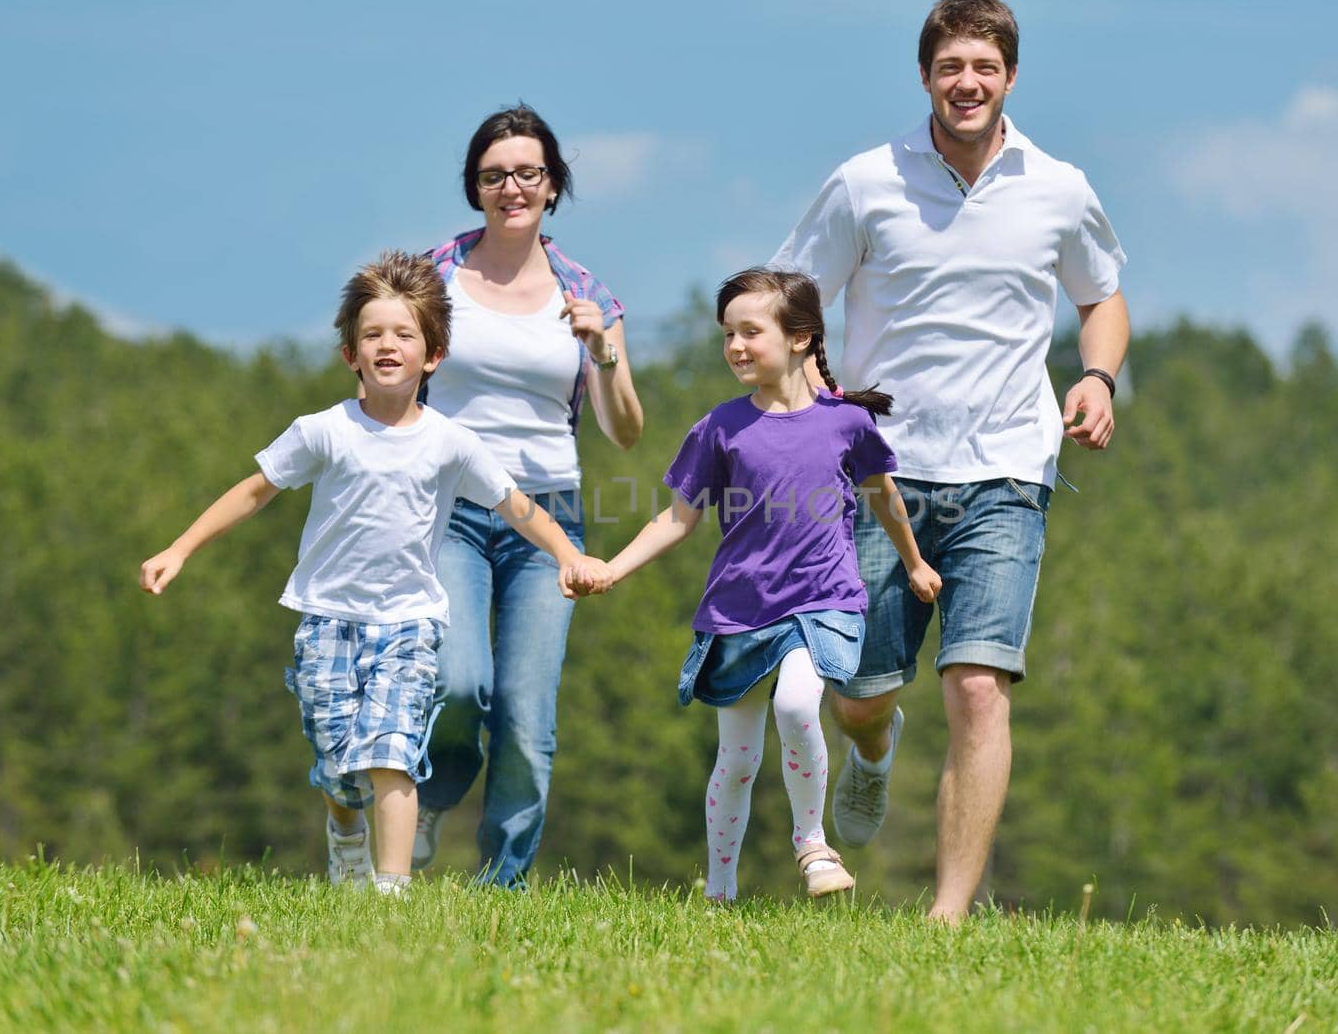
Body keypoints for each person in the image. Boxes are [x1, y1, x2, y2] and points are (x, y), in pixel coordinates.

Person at [770, 0, 1130, 922]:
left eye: (984, 67)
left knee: (978, 686)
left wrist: (1096, 377)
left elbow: (1103, 297)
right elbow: (791, 307)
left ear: (1011, 76)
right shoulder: (865, 183)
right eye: (950, 68)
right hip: (882, 477)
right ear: (925, 76)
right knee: (859, 690)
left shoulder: (1059, 187)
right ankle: (874, 749)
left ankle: (947, 918)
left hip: (1009, 471)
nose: (967, 83)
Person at [138, 251, 597, 894]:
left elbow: (516, 505)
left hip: (409, 622)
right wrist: (180, 548)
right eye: (372, 335)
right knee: (338, 765)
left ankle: (392, 890)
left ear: (432, 356)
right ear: (350, 354)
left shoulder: (451, 442)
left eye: (404, 334)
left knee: (392, 755)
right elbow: (254, 491)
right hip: (328, 618)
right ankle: (344, 832)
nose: (388, 345)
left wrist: (569, 556)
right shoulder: (323, 431)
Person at [571, 267, 940, 901]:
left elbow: (886, 499)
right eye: (728, 334)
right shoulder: (721, 426)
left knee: (798, 704)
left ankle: (811, 844)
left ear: (800, 338)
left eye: (751, 331)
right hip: (739, 610)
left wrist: (913, 563)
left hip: (823, 600)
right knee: (737, 761)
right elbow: (676, 519)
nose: (736, 346)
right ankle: (720, 890)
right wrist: (611, 566)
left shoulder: (846, 424)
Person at [414, 105, 644, 885]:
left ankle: (500, 887)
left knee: (524, 712)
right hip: (447, 506)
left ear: (553, 186)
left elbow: (625, 432)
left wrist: (604, 354)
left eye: (527, 173)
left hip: (548, 515)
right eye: (493, 175)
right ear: (474, 188)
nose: (511, 187)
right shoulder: (432, 275)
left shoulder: (586, 292)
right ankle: (429, 796)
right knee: (457, 682)